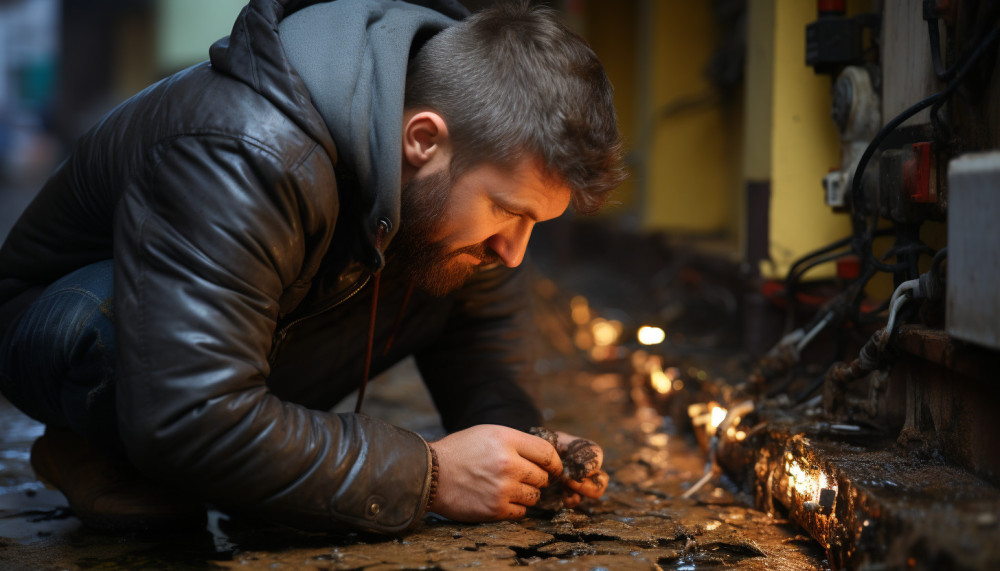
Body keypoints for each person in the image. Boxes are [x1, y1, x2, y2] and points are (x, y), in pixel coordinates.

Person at [0, 0, 624, 534]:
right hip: (78, 328)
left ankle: (241, 447)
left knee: (450, 254)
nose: (515, 250)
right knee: (178, 421)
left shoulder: (443, 174)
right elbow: (189, 410)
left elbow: (483, 338)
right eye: (509, 211)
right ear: (423, 139)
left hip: (247, 339)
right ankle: (95, 447)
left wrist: (527, 454)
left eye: (536, 223)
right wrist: (430, 475)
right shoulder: (245, 147)